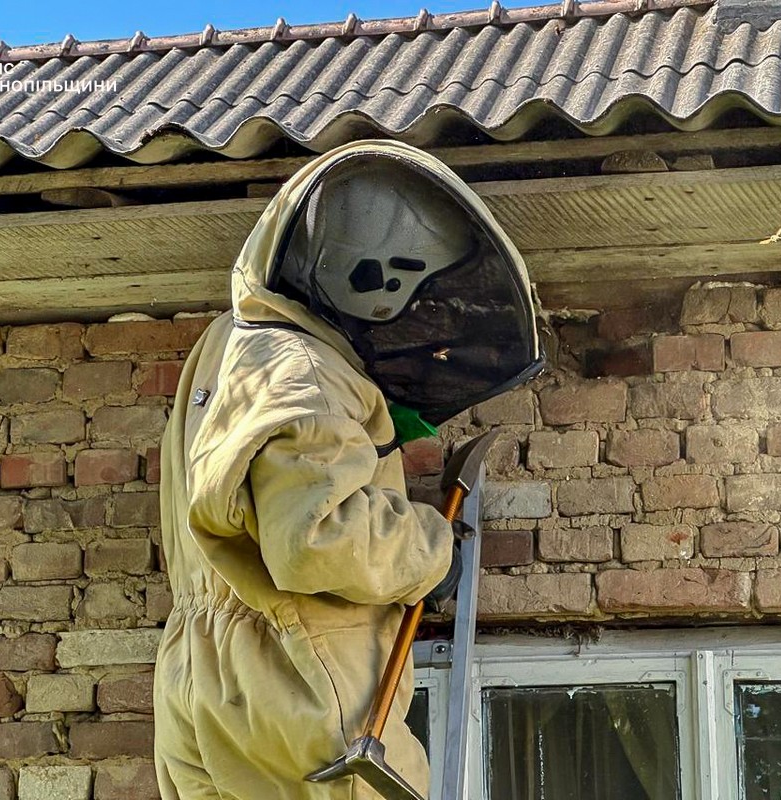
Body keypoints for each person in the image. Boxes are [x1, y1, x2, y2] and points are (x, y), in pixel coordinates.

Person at [153, 140, 544, 799]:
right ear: (324, 259)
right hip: (299, 677)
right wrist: (432, 552)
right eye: (378, 266)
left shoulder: (230, 353)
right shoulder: (301, 366)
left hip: (202, 679)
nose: (389, 287)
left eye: (410, 272)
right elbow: (316, 537)